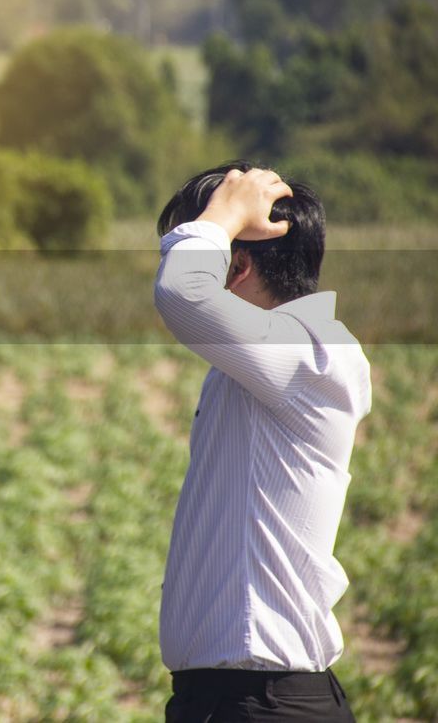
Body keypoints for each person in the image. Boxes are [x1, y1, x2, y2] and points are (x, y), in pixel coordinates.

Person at [153, 163, 372, 722]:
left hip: (263, 704)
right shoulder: (259, 367)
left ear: (238, 267)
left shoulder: (313, 353)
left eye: (207, 246)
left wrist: (221, 217)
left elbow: (182, 294)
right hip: (234, 702)